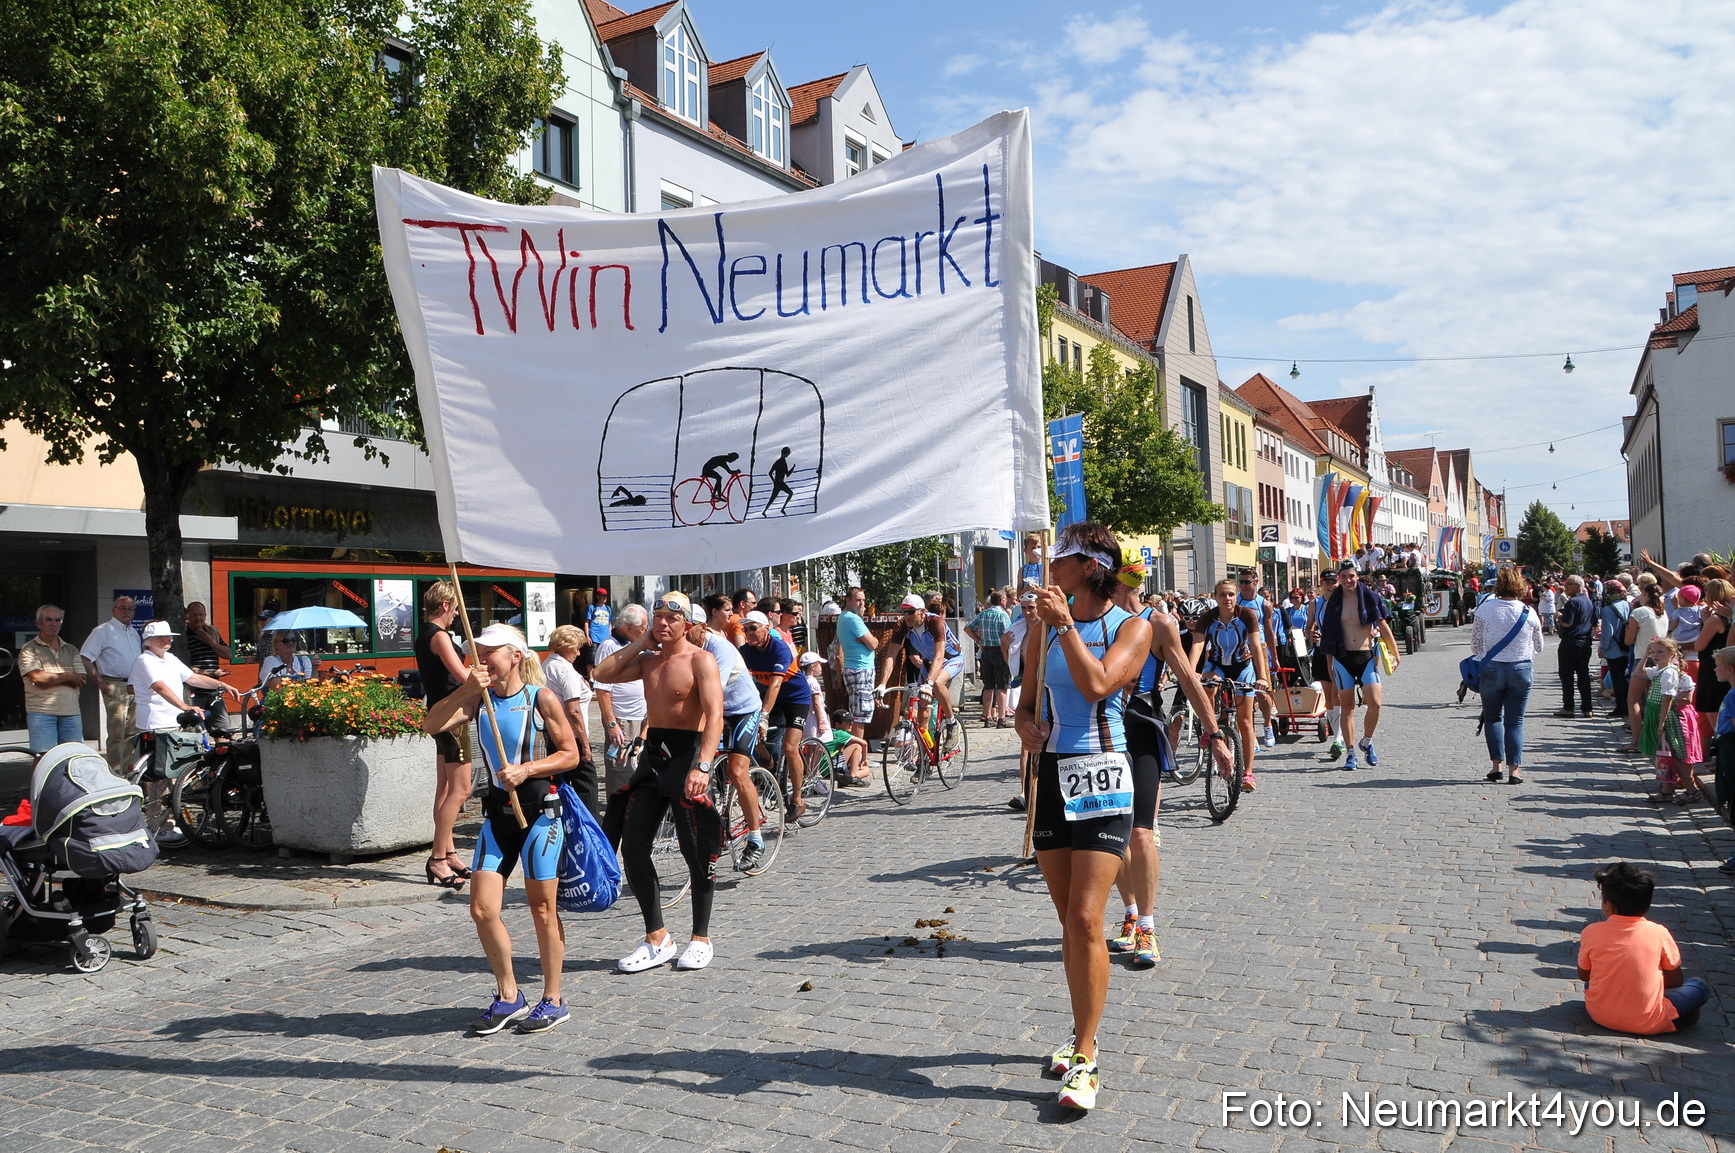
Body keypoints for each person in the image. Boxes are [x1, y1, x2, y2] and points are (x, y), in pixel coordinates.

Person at [1012, 521, 1152, 1112]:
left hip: (1103, 772)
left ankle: (1088, 1057)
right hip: (1052, 775)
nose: (1049, 564)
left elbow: (1098, 685)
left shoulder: (1132, 626)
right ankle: (1078, 1035)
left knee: (1089, 919)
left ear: (1090, 566)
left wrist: (1064, 626)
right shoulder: (1041, 630)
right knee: (1069, 923)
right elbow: (1023, 706)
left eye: (1060, 558)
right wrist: (1025, 724)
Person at [422, 623, 579, 1035]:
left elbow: (571, 754)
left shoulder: (539, 698)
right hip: (497, 818)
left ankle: (554, 999)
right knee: (482, 909)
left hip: (538, 816)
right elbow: (430, 724)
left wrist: (528, 768)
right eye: (479, 651)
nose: (483, 657)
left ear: (516, 656)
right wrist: (464, 691)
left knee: (542, 910)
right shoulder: (480, 700)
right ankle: (509, 995)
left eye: (491, 651)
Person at [1107, 548, 1228, 970]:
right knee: (1112, 837)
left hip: (1140, 726)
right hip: (1097, 734)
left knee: (1140, 832)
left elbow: (1188, 678)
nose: (1132, 581)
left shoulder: (1158, 623)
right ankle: (1129, 913)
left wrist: (1214, 734)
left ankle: (1147, 926)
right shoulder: (1085, 619)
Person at [594, 592, 725, 974]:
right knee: (633, 847)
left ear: (687, 623)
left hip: (688, 758)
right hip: (654, 760)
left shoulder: (701, 660)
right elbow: (600, 675)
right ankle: (657, 938)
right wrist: (641, 642)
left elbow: (715, 716)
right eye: (658, 617)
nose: (663, 624)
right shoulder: (648, 661)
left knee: (697, 851)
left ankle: (700, 937)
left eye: (672, 618)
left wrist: (703, 765)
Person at [129, 620, 243, 846]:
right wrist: (185, 706)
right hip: (155, 723)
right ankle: (158, 827)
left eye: (170, 637)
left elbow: (192, 678)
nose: (168, 640)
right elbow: (159, 687)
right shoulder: (144, 660)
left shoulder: (169, 658)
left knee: (172, 777)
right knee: (160, 779)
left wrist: (221, 685)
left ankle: (167, 824)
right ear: (149, 641)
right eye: (162, 637)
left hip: (173, 722)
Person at [1577, 862, 1710, 1034]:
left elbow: (1584, 975)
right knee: (1699, 986)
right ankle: (1672, 1016)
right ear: (1647, 905)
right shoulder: (1659, 932)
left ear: (1608, 906)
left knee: (1597, 975)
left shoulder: (1591, 932)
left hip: (1599, 1014)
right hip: (1647, 1022)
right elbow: (1676, 981)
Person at [696, 599, 774, 867]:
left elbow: (710, 694)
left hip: (742, 710)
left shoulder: (720, 650)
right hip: (718, 712)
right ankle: (715, 821)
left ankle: (756, 838)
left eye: (689, 629)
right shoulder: (681, 648)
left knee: (736, 772)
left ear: (701, 628)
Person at [415, 581, 475, 890]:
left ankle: (448, 851)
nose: (455, 616)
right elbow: (463, 677)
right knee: (461, 790)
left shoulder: (425, 633)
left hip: (440, 713)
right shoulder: (438, 636)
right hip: (453, 716)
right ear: (445, 607)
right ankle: (438, 857)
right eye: (454, 610)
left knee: (446, 787)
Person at [1318, 562, 1401, 771]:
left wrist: (1395, 653)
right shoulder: (1334, 603)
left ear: (1357, 576)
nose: (1348, 581)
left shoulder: (1370, 597)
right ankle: (1351, 752)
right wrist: (1329, 664)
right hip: (1342, 659)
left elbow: (1383, 626)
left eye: (1352, 576)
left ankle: (1367, 741)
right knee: (1347, 708)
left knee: (1375, 703)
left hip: (1366, 657)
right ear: (1339, 578)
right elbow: (1328, 637)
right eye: (1344, 576)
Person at [1195, 579, 1270, 791]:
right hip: (1217, 665)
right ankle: (1209, 726)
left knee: (1245, 722)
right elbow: (1198, 646)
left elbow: (1256, 646)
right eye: (1222, 595)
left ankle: (1248, 773)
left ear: (1236, 596)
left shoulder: (1246, 615)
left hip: (1242, 666)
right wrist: (1192, 672)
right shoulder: (1208, 618)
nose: (1227, 599)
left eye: (1230, 594)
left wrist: (1262, 677)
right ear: (1215, 597)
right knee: (1207, 686)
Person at [1469, 566, 1541, 784]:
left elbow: (1475, 644)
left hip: (1492, 669)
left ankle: (1495, 766)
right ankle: (1514, 771)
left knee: (1492, 718)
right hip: (1520, 669)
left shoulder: (1485, 609)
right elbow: (1538, 645)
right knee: (1515, 722)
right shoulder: (1528, 612)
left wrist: (1485, 656)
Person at [738, 609, 810, 820]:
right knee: (751, 734)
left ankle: (797, 800)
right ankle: (767, 760)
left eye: (753, 628)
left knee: (789, 747)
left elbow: (776, 684)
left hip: (796, 697)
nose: (748, 633)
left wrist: (764, 715)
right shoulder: (745, 651)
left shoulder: (780, 649)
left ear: (766, 629)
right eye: (745, 629)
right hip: (769, 694)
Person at [877, 593, 963, 735]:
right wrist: (882, 684)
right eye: (904, 612)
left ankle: (951, 722)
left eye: (910, 612)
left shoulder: (935, 622)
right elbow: (891, 656)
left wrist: (928, 684)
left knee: (936, 683)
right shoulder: (902, 625)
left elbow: (939, 656)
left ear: (922, 612)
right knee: (922, 707)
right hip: (929, 661)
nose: (906, 616)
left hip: (952, 659)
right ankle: (924, 748)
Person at [541, 625, 599, 816]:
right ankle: (590, 829)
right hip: (572, 735)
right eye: (576, 648)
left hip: (552, 733)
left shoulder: (547, 665)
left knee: (558, 783)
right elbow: (573, 710)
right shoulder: (565, 670)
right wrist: (585, 744)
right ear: (567, 647)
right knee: (586, 784)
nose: (578, 652)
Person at [1637, 638, 1701, 804]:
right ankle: (1666, 790)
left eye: (1660, 652)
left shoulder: (1669, 672)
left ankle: (1691, 790)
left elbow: (1668, 698)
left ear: (1672, 654)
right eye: (1654, 652)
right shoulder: (1659, 670)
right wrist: (1645, 655)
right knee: (1663, 755)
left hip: (1666, 716)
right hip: (1657, 714)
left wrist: (1662, 721)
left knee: (1675, 755)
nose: (1656, 655)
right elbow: (1637, 673)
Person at [594, 605, 650, 797]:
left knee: (637, 771)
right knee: (621, 773)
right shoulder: (609, 646)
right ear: (628, 627)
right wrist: (611, 724)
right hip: (623, 720)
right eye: (643, 627)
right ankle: (617, 819)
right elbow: (602, 689)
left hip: (640, 718)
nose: (645, 631)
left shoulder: (635, 644)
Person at [80, 595, 140, 770]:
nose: (126, 612)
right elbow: (84, 658)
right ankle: (115, 773)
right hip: (115, 686)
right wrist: (100, 682)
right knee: (117, 735)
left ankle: (128, 771)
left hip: (135, 686)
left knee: (132, 733)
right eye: (122, 608)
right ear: (113, 610)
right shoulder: (102, 631)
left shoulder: (134, 632)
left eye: (130, 609)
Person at [20, 605, 86, 764]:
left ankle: (69, 790)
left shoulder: (71, 649)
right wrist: (69, 676)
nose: (53, 624)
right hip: (42, 713)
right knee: (44, 760)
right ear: (38, 623)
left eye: (57, 620)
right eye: (48, 620)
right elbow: (38, 678)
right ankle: (40, 790)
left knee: (73, 760)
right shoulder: (29, 649)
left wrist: (51, 679)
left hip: (71, 712)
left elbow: (82, 679)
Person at [1236, 572, 1285, 748]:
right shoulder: (1235, 602)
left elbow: (1270, 631)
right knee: (1242, 692)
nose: (1243, 585)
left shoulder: (1263, 604)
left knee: (1263, 691)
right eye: (1241, 582)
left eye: (1247, 582)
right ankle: (1250, 735)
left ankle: (1267, 725)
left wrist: (1275, 656)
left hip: (1260, 647)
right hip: (1241, 648)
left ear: (1255, 582)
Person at [1306, 570, 1345, 757]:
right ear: (1321, 583)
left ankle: (1339, 739)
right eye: (1328, 582)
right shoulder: (1315, 603)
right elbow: (1308, 628)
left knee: (1337, 694)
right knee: (1328, 697)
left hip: (1340, 650)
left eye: (1334, 581)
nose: (1332, 585)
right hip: (1322, 650)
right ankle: (1336, 730)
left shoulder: (1345, 599)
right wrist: (1311, 634)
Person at [1691, 579, 1732, 747]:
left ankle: (1720, 751)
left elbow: (1699, 645)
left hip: (1713, 667)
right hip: (1726, 665)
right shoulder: (1730, 615)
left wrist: (1704, 621)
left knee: (1713, 711)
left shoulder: (1716, 618)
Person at [835, 587, 879, 737]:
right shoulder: (852, 619)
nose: (862, 603)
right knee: (860, 717)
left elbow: (871, 642)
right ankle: (857, 758)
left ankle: (857, 757)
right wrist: (872, 640)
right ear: (848, 600)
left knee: (858, 713)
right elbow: (873, 644)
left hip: (854, 668)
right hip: (860, 669)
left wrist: (870, 640)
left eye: (863, 600)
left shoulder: (844, 617)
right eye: (858, 600)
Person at [183, 601, 233, 731]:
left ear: (205, 615)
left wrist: (210, 642)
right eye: (194, 615)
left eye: (200, 614)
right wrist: (210, 674)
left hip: (214, 691)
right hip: (193, 692)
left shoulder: (212, 632)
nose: (198, 618)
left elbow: (229, 654)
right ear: (187, 615)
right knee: (196, 731)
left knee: (223, 730)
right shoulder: (184, 634)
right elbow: (185, 667)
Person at [966, 592, 1013, 728]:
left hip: (986, 651)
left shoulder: (983, 614)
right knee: (1002, 687)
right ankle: (1001, 719)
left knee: (988, 686)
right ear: (1002, 600)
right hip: (999, 650)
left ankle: (987, 718)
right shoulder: (1002, 615)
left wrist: (979, 640)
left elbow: (968, 628)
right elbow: (1007, 633)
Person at [1553, 576, 1597, 719]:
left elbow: (1567, 623)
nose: (1566, 587)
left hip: (1570, 642)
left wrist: (1559, 616)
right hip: (1585, 642)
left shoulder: (1573, 602)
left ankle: (1568, 707)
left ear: (1578, 586)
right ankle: (1587, 708)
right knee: (1583, 675)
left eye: (1569, 584)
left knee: (1567, 676)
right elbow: (1594, 622)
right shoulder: (1588, 602)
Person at [1599, 579, 1632, 723]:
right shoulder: (1628, 605)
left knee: (1617, 678)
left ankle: (1621, 706)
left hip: (1613, 648)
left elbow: (1607, 632)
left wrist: (1603, 648)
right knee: (1625, 677)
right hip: (1626, 645)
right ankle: (1627, 704)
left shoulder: (1608, 610)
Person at [582, 588, 612, 677]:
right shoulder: (592, 608)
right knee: (591, 659)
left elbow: (610, 623)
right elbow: (587, 622)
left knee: (604, 659)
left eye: (606, 596)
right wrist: (587, 636)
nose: (605, 598)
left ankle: (602, 677)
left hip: (605, 638)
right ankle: (591, 678)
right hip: (594, 637)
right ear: (598, 596)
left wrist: (610, 636)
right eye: (603, 596)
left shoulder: (608, 609)